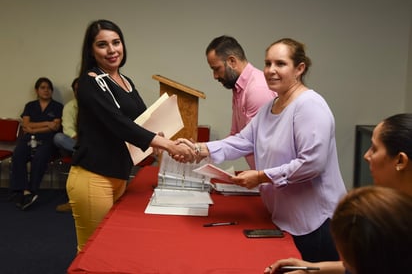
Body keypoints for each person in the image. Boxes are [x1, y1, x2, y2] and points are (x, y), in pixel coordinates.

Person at [183, 38, 346, 262]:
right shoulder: (271, 106)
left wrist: (262, 176)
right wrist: (199, 148)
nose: (270, 70)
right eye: (268, 63)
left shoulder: (310, 105)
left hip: (315, 223)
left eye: (280, 64)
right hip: (285, 217)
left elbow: (312, 163)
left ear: (299, 68)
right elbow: (242, 141)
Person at [67, 19, 195, 252]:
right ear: (91, 50)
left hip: (119, 175)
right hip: (93, 178)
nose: (112, 50)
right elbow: (119, 124)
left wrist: (159, 137)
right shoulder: (90, 81)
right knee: (93, 251)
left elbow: (143, 121)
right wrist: (168, 145)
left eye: (116, 42)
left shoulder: (126, 81)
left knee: (112, 247)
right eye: (102, 45)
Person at [264, 113, 412, 274]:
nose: (367, 155)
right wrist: (311, 269)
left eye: (374, 149)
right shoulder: (394, 211)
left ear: (400, 161)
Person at [206, 35, 276, 169]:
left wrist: (202, 149)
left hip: (272, 179)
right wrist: (200, 150)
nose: (215, 76)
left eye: (216, 69)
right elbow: (235, 135)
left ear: (232, 61)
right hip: (262, 178)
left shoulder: (257, 89)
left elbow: (251, 141)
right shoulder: (239, 88)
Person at [10, 77, 63, 210]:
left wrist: (34, 127)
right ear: (36, 90)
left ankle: (32, 191)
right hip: (29, 139)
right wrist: (46, 123)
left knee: (39, 157)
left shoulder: (57, 106)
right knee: (18, 155)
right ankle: (24, 190)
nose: (46, 91)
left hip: (48, 140)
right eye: (43, 88)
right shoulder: (30, 106)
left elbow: (55, 127)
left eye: (48, 88)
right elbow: (26, 125)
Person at [53, 77, 79, 213]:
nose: (78, 92)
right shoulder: (70, 106)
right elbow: (68, 129)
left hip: (93, 145)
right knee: (58, 138)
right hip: (74, 143)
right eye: (76, 90)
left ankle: (74, 201)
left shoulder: (98, 105)